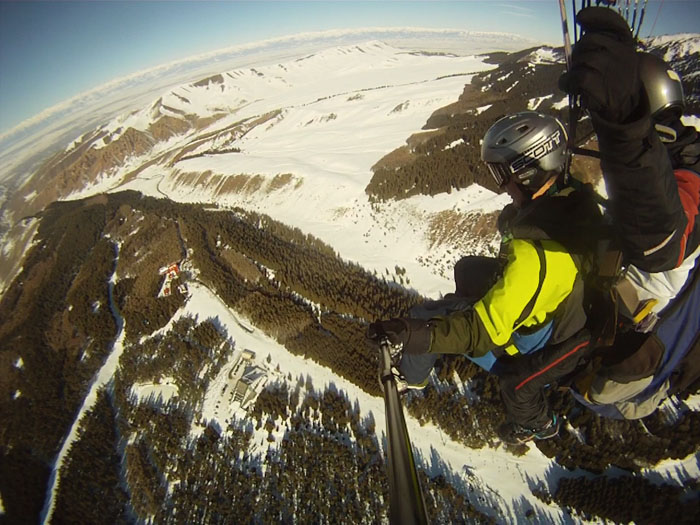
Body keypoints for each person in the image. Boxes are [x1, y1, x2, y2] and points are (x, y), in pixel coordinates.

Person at [369, 110, 605, 444]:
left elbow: (479, 333)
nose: (501, 184)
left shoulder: (534, 257)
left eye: (502, 173)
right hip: (563, 312)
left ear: (527, 172)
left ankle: (409, 378)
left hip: (538, 343)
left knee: (427, 317)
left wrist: (412, 335)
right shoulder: (569, 202)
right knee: (467, 269)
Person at [558, 6, 700, 418]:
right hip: (619, 322)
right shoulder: (679, 159)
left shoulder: (688, 178)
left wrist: (622, 119)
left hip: (621, 330)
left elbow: (661, 240)